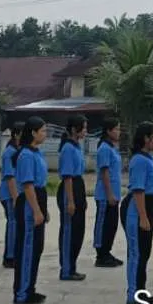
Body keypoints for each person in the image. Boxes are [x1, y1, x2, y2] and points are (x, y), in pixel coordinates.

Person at [13, 116, 50, 304]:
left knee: (36, 247)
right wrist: (36, 210)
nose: (45, 134)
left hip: (39, 196)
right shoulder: (26, 155)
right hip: (29, 202)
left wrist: (44, 209)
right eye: (42, 131)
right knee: (27, 248)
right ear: (33, 133)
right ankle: (22, 292)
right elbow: (27, 185)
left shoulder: (37, 152)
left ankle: (30, 287)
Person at [124, 122, 153, 304]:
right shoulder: (139, 160)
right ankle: (133, 294)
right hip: (137, 210)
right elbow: (138, 190)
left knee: (144, 253)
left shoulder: (148, 158)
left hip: (148, 207)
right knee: (136, 253)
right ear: (146, 138)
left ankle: (141, 289)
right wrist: (143, 217)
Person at [58, 116, 88, 282]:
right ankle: (66, 269)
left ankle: (72, 266)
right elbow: (67, 176)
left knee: (78, 230)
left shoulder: (77, 146)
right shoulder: (68, 148)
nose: (86, 131)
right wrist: (70, 201)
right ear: (75, 129)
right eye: (83, 128)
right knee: (69, 231)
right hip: (70, 188)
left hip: (78, 185)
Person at [94, 118, 124, 269]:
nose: (119, 132)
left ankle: (107, 251)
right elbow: (104, 172)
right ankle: (101, 254)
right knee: (103, 224)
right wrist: (109, 193)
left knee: (112, 225)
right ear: (108, 131)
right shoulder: (104, 148)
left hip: (114, 193)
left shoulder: (112, 148)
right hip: (105, 195)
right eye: (116, 129)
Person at [0, 124, 21, 269]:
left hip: (17, 192)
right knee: (13, 223)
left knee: (16, 224)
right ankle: (9, 256)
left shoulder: (19, 151)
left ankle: (14, 253)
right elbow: (9, 176)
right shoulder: (9, 153)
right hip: (10, 194)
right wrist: (15, 198)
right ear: (16, 135)